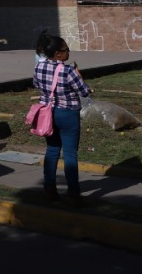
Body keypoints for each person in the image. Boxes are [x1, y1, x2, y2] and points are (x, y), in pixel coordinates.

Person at [33, 36, 91, 204]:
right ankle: (73, 193)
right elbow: (84, 91)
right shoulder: (68, 71)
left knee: (52, 150)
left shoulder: (38, 67)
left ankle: (49, 189)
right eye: (66, 50)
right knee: (70, 153)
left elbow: (36, 84)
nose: (68, 53)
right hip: (68, 114)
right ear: (58, 54)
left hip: (48, 113)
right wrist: (80, 75)